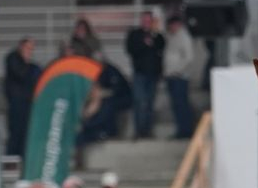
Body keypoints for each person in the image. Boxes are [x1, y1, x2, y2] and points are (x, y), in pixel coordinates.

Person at [125, 11, 167, 140]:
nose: (146, 22)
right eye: (144, 20)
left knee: (149, 103)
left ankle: (148, 130)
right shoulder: (134, 34)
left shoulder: (157, 35)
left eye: (149, 20)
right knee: (138, 102)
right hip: (140, 73)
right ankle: (138, 130)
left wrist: (153, 40)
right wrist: (144, 44)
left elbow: (162, 46)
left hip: (153, 74)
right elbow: (130, 49)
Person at [164, 15, 202, 139]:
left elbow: (189, 57)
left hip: (179, 76)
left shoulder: (184, 37)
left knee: (181, 104)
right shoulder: (172, 36)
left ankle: (186, 130)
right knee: (177, 105)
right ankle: (182, 129)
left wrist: (177, 70)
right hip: (172, 76)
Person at [80, 61, 133, 145]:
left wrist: (100, 96)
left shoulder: (109, 71)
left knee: (107, 106)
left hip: (117, 101)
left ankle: (105, 132)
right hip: (89, 125)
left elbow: (117, 89)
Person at [4, 37, 39, 159]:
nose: (30, 51)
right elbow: (20, 74)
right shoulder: (12, 59)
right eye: (28, 48)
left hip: (28, 102)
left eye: (31, 49)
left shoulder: (32, 66)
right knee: (15, 133)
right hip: (16, 102)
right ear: (21, 47)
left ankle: (23, 158)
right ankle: (11, 159)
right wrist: (26, 61)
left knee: (25, 133)